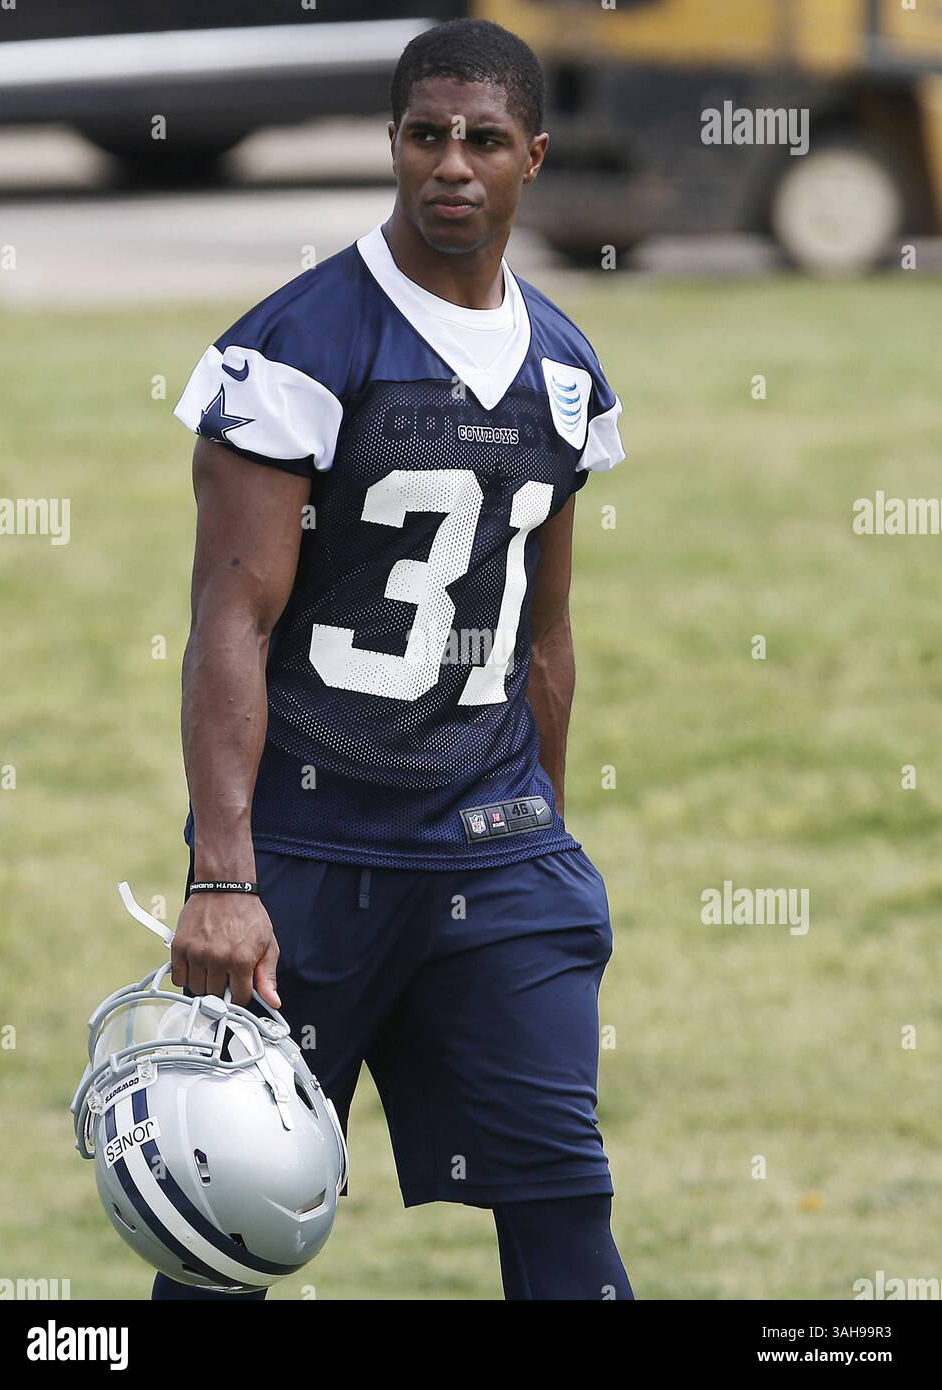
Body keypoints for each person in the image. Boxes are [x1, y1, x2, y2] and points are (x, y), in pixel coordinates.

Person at [162, 17, 632, 1301]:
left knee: (565, 1205)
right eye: (425, 135)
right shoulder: (302, 347)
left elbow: (543, 632)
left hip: (489, 844)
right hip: (308, 854)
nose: (451, 165)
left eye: (483, 139)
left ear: (531, 155)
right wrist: (222, 873)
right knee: (226, 1229)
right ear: (392, 144)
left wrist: (538, 821)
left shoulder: (568, 374)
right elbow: (229, 621)